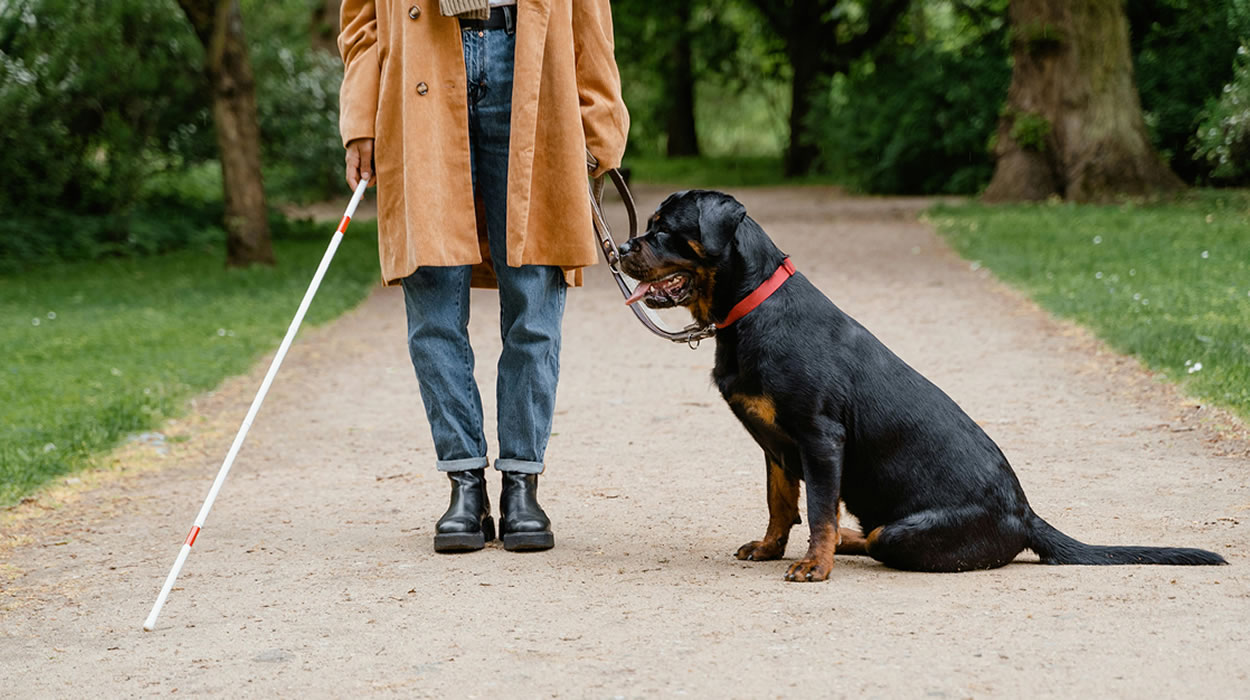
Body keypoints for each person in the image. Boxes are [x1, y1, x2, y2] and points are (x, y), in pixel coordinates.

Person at [337, 0, 628, 553]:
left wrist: (599, 124)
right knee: (433, 303)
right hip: (419, 68)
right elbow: (362, 24)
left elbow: (592, 20)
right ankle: (464, 483)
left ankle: (522, 482)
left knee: (534, 296)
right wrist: (360, 117)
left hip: (530, 64)